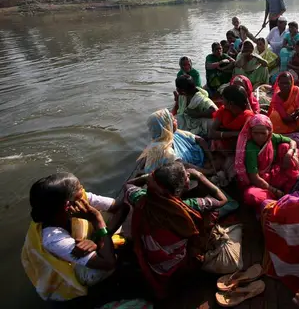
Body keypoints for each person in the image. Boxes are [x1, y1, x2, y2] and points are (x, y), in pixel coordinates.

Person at [126, 162, 241, 299]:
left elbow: (128, 185)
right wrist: (199, 176)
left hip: (153, 264)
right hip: (182, 266)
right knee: (211, 215)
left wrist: (146, 178)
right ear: (177, 191)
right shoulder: (188, 206)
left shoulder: (140, 198)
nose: (188, 175)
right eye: (186, 177)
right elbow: (222, 200)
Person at [22, 173, 126, 301]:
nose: (83, 192)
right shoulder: (52, 238)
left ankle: (101, 243)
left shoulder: (78, 200)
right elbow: (108, 263)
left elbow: (122, 207)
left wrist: (98, 240)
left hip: (88, 246)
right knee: (102, 268)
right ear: (67, 206)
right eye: (79, 190)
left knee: (109, 221)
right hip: (65, 276)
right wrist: (97, 219)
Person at [234, 114, 299, 209]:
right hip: (260, 181)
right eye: (255, 133)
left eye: (263, 133)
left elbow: (292, 142)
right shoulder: (251, 147)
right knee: (251, 196)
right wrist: (275, 191)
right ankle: (277, 197)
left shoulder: (272, 137)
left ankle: (288, 187)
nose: (259, 137)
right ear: (250, 132)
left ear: (269, 132)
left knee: (285, 147)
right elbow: (254, 178)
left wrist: (289, 153)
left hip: (273, 174)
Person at [138, 109, 214, 174]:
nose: (176, 120)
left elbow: (200, 140)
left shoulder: (163, 138)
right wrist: (209, 171)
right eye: (173, 120)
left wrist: (211, 159)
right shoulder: (165, 150)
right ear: (166, 125)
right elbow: (184, 166)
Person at [209, 85, 254, 155]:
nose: (222, 102)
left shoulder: (247, 116)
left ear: (231, 103)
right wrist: (234, 134)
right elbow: (211, 133)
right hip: (221, 147)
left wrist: (222, 134)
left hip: (238, 150)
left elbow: (245, 138)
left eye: (223, 99)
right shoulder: (223, 111)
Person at [268, 72, 299, 138]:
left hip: (298, 120)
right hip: (284, 123)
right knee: (274, 115)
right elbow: (285, 118)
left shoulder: (296, 91)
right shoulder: (276, 98)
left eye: (287, 83)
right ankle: (281, 135)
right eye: (282, 83)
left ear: (291, 83)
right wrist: (296, 113)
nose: (285, 86)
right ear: (278, 84)